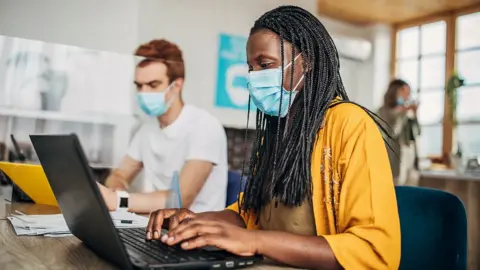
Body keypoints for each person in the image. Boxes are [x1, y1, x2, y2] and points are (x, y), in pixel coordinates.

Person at [145, 6, 401, 270]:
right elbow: (252, 214)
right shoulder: (278, 129)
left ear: (307, 60)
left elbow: (373, 251)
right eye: (251, 68)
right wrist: (196, 221)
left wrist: (254, 241)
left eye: (265, 65)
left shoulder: (350, 124)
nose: (255, 77)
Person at [97, 39, 228, 213]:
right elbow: (119, 175)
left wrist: (118, 200)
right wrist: (118, 187)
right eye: (139, 85)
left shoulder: (205, 126)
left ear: (176, 86)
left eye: (153, 85)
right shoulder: (147, 129)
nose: (143, 93)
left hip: (196, 231)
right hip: (156, 224)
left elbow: (179, 200)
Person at [378, 79, 420, 186]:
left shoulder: (408, 111)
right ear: (395, 91)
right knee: (397, 194)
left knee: (411, 195)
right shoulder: (384, 111)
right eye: (404, 91)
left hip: (411, 161)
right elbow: (392, 133)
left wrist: (415, 115)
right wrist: (403, 113)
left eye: (408, 92)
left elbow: (417, 133)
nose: (407, 95)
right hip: (395, 161)